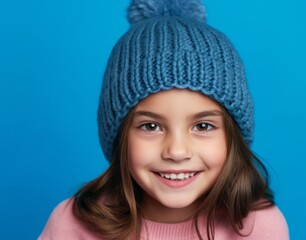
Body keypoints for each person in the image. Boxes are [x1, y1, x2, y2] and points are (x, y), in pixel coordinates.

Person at [39, 0, 289, 239]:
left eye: (203, 126)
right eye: (151, 126)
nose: (177, 151)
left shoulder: (258, 225)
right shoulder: (72, 223)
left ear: (232, 137)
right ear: (118, 136)